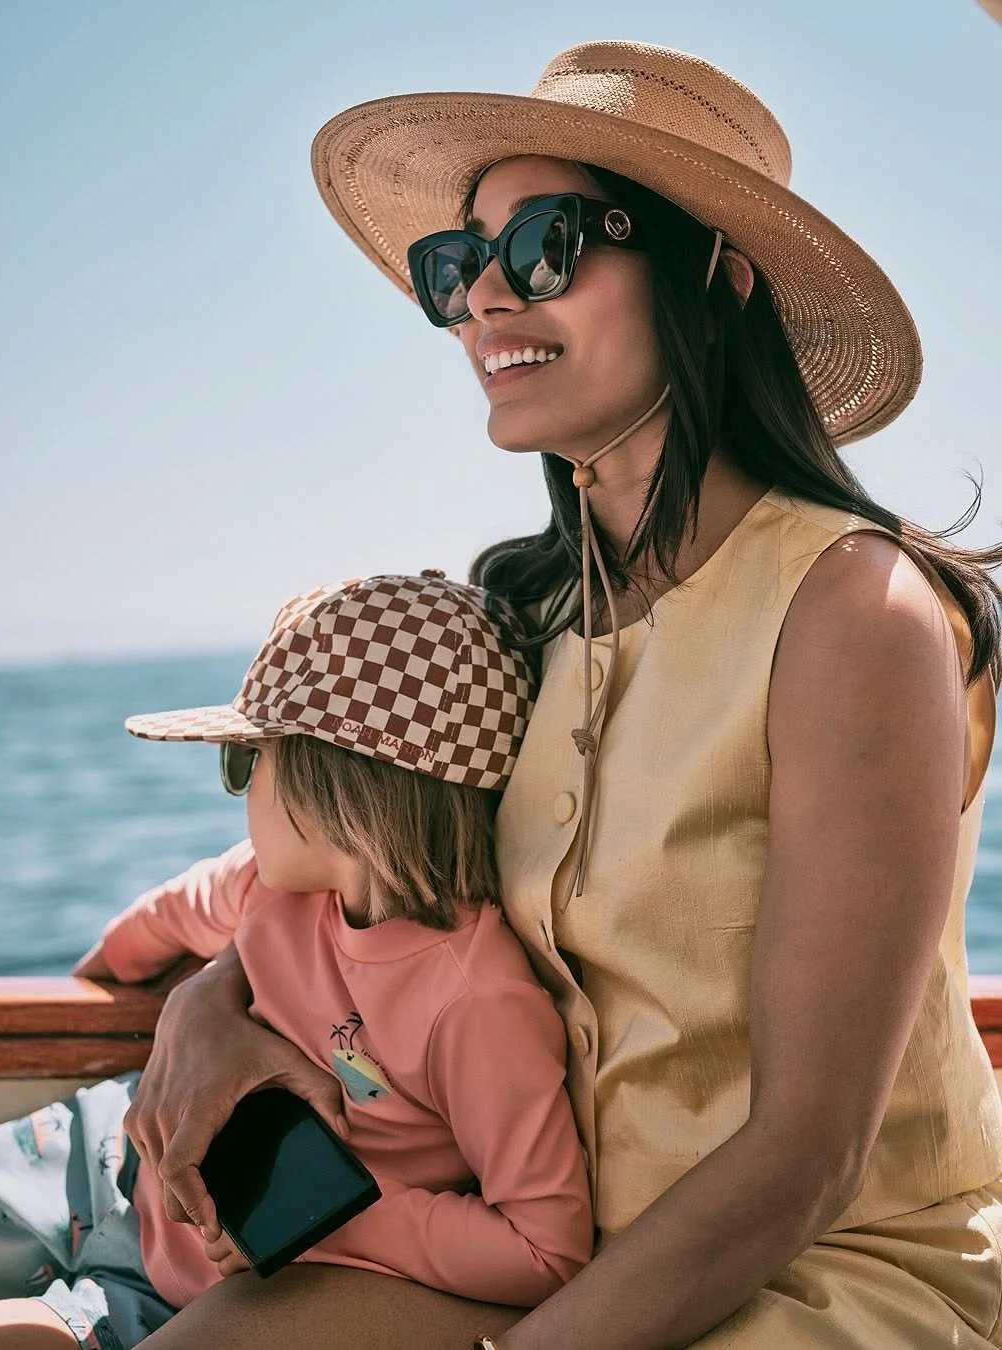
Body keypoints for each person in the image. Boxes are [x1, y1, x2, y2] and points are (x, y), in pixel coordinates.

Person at [104, 40, 1002, 1349]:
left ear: (716, 275)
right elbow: (381, 884)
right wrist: (211, 1002)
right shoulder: (530, 615)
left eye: (545, 243)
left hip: (827, 1272)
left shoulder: (853, 614)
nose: (482, 300)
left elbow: (808, 1156)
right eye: (458, 265)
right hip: (549, 1259)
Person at [0, 572, 593, 1350]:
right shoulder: (263, 883)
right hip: (98, 1151)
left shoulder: (476, 1003)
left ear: (329, 790)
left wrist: (325, 1222)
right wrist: (126, 993)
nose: (237, 791)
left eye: (244, 762)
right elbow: (150, 929)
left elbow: (547, 1249)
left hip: (192, 1288)